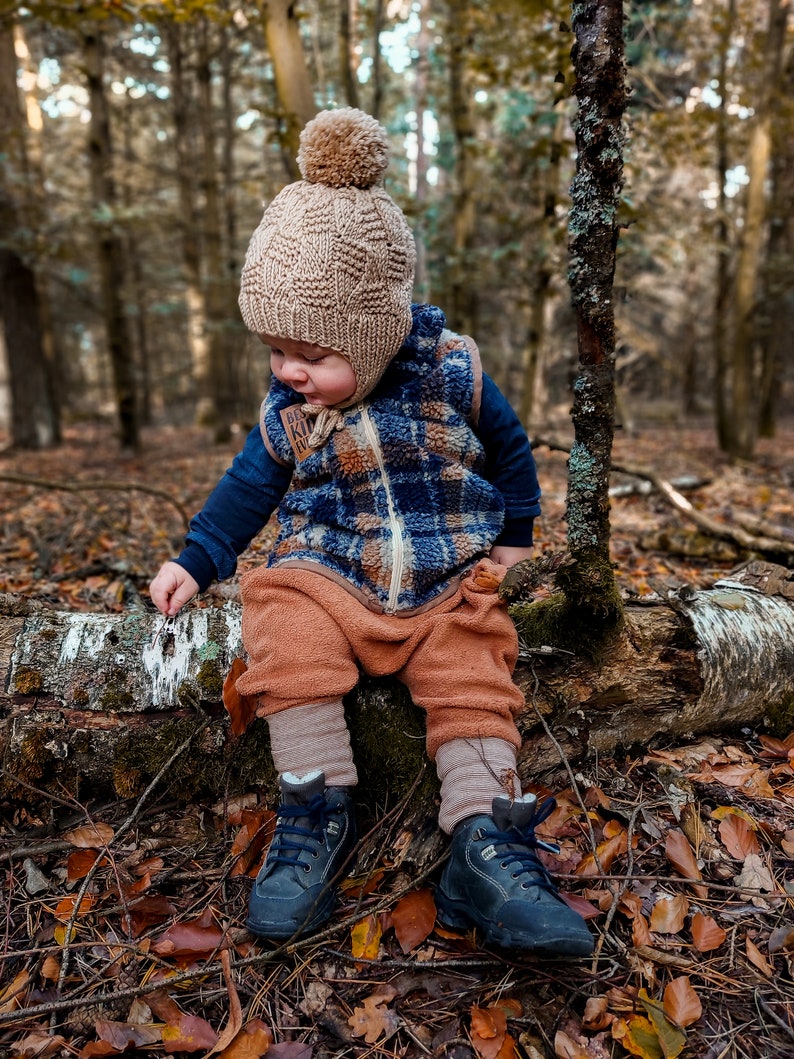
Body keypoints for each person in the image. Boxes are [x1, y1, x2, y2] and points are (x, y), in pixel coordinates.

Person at [150, 107, 593, 957]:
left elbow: (508, 447)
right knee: (283, 621)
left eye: (312, 353)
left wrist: (517, 535)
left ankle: (486, 843)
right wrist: (196, 560)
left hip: (443, 576)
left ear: (375, 331)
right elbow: (248, 487)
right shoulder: (292, 408)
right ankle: (315, 807)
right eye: (275, 349)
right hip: (329, 570)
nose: (288, 369)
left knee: (475, 668)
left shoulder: (449, 370)